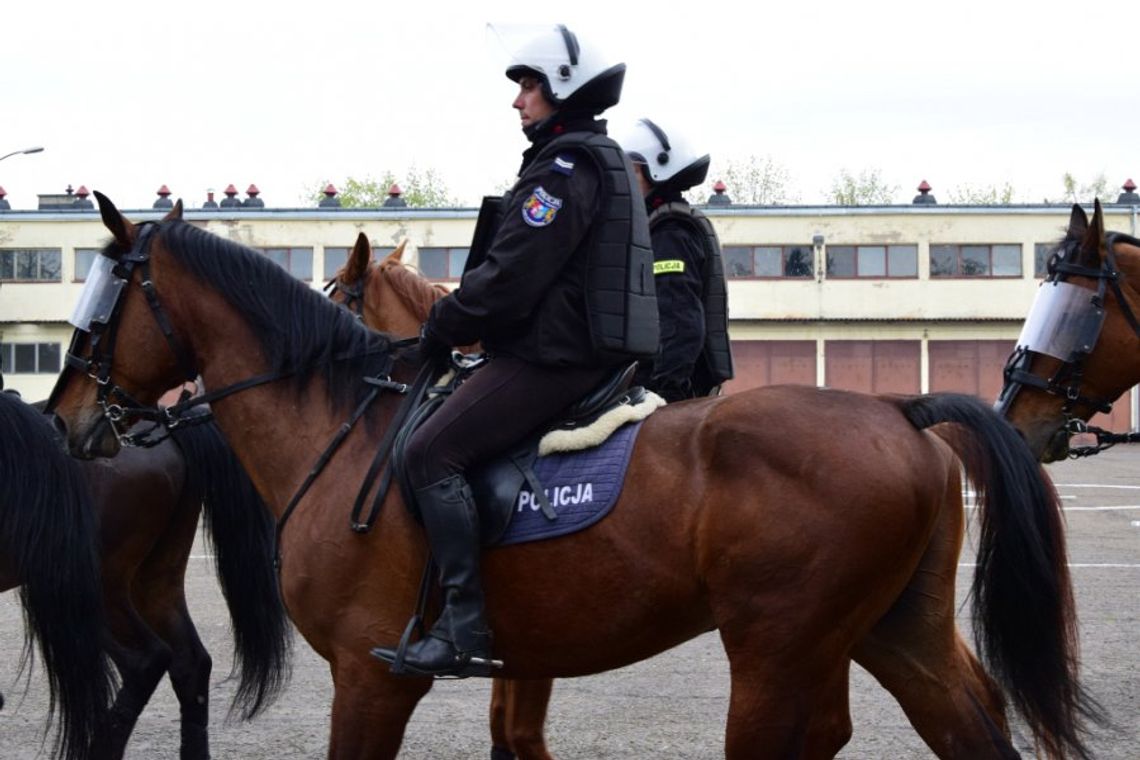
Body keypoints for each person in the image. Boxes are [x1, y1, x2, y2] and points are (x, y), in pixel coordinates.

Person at [371, 23, 658, 678]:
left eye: (529, 85)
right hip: (575, 350)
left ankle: (463, 627)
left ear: (562, 89)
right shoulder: (584, 159)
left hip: (554, 357)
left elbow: (510, 278)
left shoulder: (564, 169)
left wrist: (441, 324)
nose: (517, 99)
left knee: (428, 451)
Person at [619, 117, 734, 401]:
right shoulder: (657, 225)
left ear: (653, 172)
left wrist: (664, 396)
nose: (623, 181)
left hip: (666, 391)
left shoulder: (670, 233)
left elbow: (679, 321)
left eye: (630, 170)